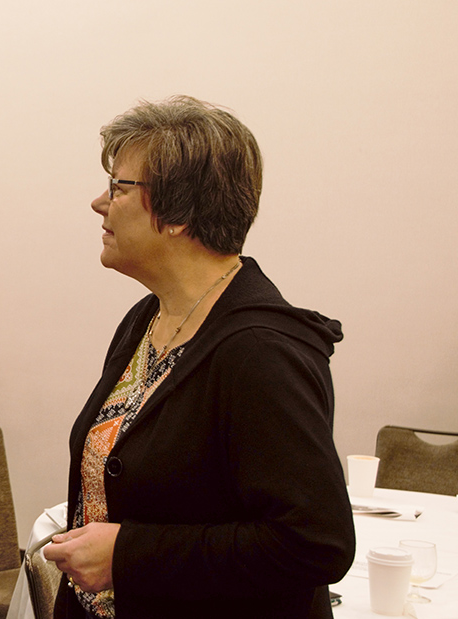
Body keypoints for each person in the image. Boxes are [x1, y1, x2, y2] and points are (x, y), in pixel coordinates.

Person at [43, 96, 355, 619]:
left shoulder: (260, 350)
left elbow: (314, 541)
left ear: (178, 212)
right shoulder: (149, 318)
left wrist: (130, 555)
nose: (99, 203)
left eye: (119, 187)